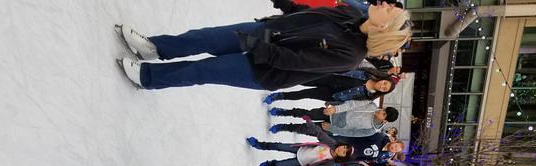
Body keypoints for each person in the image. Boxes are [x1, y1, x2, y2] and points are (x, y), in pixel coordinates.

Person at [115, 1, 411, 91]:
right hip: (266, 33)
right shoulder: (352, 13)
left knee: (203, 69)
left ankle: (148, 77)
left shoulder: (351, 55)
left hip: (266, 68)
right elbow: (307, 16)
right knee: (203, 37)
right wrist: (286, 7)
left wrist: (255, 45)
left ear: (385, 26)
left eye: (390, 10)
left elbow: (295, 61)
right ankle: (154, 48)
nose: (385, 3)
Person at [246, 119, 353, 166]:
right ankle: (259, 145)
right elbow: (319, 133)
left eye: (344, 152)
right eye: (344, 147)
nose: (341, 150)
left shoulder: (330, 163)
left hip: (301, 162)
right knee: (279, 146)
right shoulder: (331, 143)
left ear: (343, 157)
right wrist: (310, 123)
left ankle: (271, 164)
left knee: (280, 165)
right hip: (300, 149)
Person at [270, 103, 399, 138]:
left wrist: (331, 128)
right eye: (383, 109)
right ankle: (282, 111)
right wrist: (335, 105)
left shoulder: (372, 130)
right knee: (306, 113)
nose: (380, 111)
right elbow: (351, 103)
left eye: (383, 114)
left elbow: (352, 133)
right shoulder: (372, 106)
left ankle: (281, 127)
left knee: (306, 128)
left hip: (333, 125)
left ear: (385, 120)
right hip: (334, 112)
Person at [263, 71, 396, 104]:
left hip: (332, 94)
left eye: (384, 89)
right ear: (383, 79)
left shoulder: (368, 97)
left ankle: (279, 96)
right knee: (303, 79)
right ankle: (279, 79)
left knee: (305, 93)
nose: (382, 86)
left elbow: (349, 104)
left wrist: (333, 104)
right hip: (331, 77)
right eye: (385, 83)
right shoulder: (369, 72)